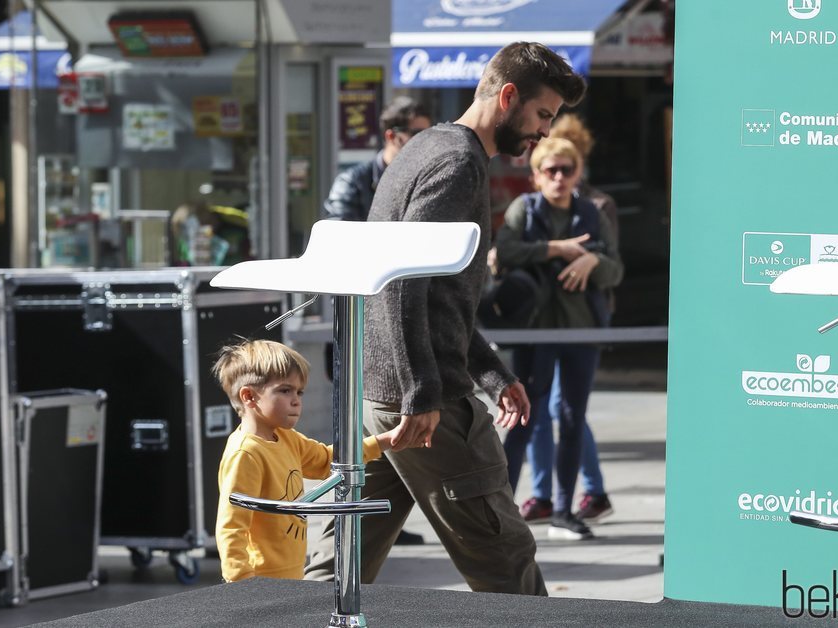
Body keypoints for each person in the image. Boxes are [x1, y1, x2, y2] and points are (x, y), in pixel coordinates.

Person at [305, 42, 586, 595]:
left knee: (340, 562)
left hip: (381, 396)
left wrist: (492, 374)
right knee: (504, 557)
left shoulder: (427, 145)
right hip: (416, 403)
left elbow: (440, 298)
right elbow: (400, 280)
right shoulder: (458, 161)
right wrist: (422, 392)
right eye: (543, 115)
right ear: (508, 96)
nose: (544, 133)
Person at [496, 137, 623, 540]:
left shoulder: (591, 211)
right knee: (522, 420)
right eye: (550, 170)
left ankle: (564, 512)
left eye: (566, 169)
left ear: (577, 174)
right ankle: (500, 513)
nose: (558, 177)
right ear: (535, 176)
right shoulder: (524, 209)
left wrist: (592, 260)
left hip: (581, 331)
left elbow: (616, 270)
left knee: (571, 418)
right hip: (533, 332)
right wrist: (555, 249)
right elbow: (505, 251)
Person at [321, 97, 433, 546]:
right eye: (416, 137)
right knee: (354, 419)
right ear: (392, 136)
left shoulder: (418, 179)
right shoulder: (354, 181)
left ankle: (385, 517)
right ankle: (349, 513)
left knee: (384, 427)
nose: (424, 147)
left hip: (399, 315)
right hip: (360, 317)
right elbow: (344, 240)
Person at [212, 339, 404, 582]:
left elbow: (326, 460)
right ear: (249, 396)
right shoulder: (246, 454)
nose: (296, 400)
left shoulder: (286, 438)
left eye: (299, 392)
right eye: (285, 390)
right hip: (259, 579)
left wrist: (383, 442)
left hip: (292, 573)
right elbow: (231, 526)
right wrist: (241, 581)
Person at [322, 96, 432, 222]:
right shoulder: (352, 182)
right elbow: (338, 231)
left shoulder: (427, 178)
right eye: (417, 134)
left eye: (429, 134)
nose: (425, 141)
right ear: (391, 136)